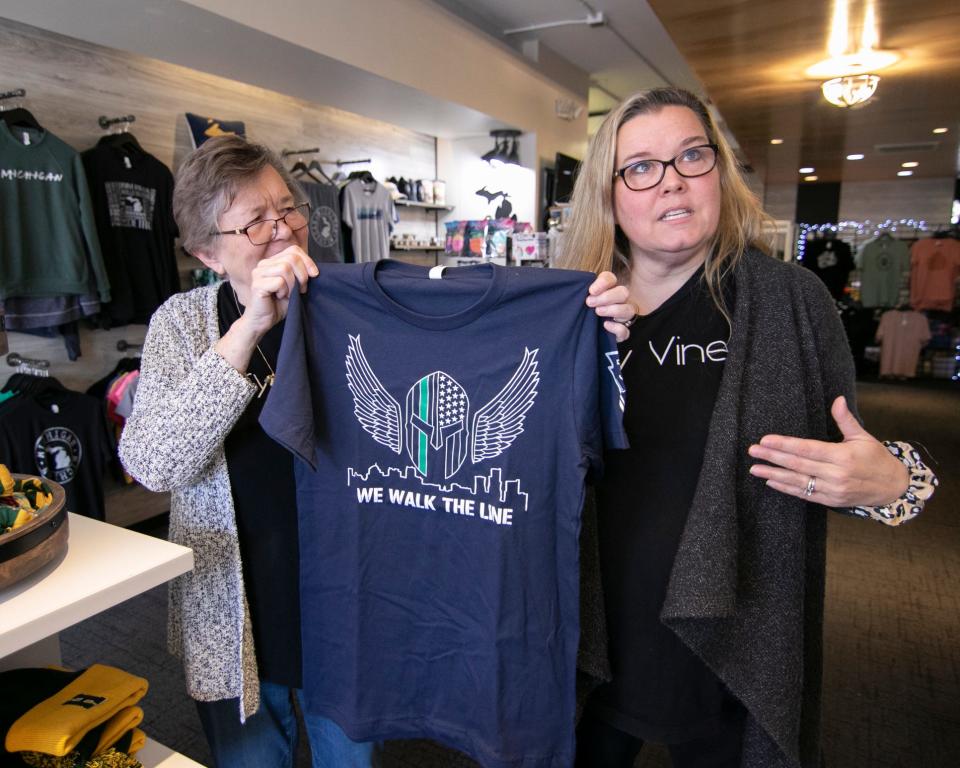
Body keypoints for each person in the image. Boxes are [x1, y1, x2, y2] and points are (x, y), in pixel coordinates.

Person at [117, 134, 636, 768]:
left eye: (289, 208)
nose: (283, 230)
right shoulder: (183, 322)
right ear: (205, 250)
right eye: (255, 222)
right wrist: (250, 326)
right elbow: (151, 461)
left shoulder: (350, 307)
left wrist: (585, 316)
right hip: (237, 612)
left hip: (351, 604)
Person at [561, 88, 937, 768]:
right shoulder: (567, 309)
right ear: (609, 193)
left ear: (720, 174)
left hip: (739, 629)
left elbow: (859, 453)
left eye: (691, 156)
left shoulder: (793, 302)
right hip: (591, 629)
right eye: (640, 166)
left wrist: (895, 484)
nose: (670, 179)